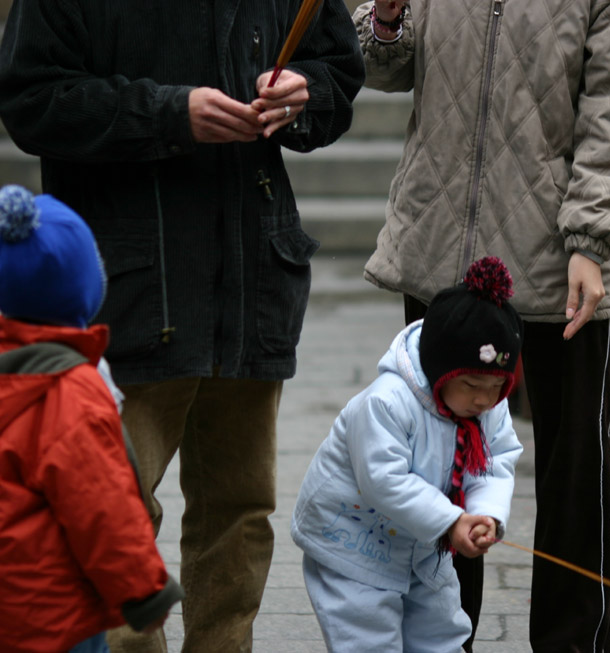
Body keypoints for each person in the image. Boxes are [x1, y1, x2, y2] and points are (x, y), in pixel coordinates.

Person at [0, 2, 365, 650]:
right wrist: (169, 114)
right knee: (112, 512)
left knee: (240, 514)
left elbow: (337, 69)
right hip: (134, 290)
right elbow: (30, 97)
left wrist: (302, 97)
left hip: (249, 281)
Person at [352, 0, 610, 649]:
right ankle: (439, 638)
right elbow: (381, 66)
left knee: (575, 471)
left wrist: (594, 237)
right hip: (442, 255)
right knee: (436, 470)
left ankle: (571, 642)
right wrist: (384, 17)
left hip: (557, 256)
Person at [291, 256, 525, 652]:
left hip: (422, 544)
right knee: (368, 636)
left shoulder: (488, 407)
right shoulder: (386, 403)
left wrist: (485, 514)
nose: (484, 398)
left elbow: (494, 462)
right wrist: (450, 520)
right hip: (354, 542)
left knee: (443, 631)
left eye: (496, 386)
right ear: (441, 370)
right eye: (471, 384)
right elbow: (384, 480)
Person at [0, 185, 184, 653]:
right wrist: (145, 591)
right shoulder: (72, 392)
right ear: (86, 290)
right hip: (54, 617)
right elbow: (102, 508)